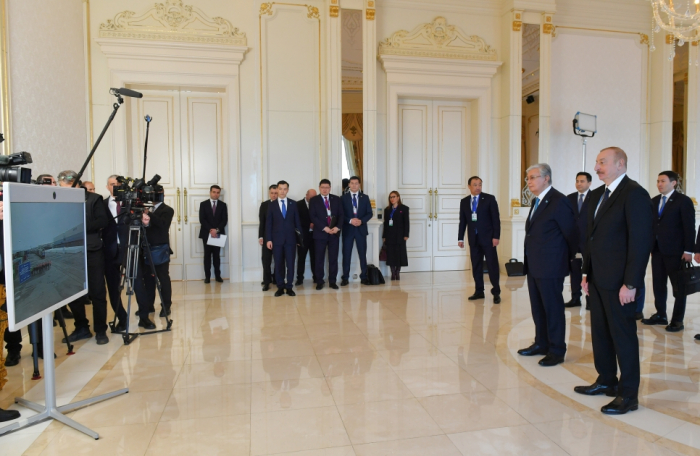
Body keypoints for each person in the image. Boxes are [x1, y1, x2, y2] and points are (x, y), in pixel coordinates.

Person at [575, 147, 653, 415]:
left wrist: (631, 284)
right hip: (597, 279)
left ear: (620, 164)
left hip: (620, 283)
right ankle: (606, 380)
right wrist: (587, 273)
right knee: (600, 334)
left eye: (602, 162)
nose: (597, 167)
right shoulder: (596, 195)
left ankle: (628, 395)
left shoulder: (635, 194)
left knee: (623, 338)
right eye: (597, 162)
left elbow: (640, 244)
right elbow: (591, 239)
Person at [517, 164, 577, 367]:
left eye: (533, 177)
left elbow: (571, 234)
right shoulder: (537, 201)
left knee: (553, 309)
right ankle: (541, 343)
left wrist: (565, 261)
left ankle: (557, 349)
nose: (529, 182)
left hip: (551, 266)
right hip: (535, 265)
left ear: (546, 178)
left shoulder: (559, 201)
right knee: (538, 308)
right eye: (527, 179)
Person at [57, 170, 111, 345]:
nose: (64, 190)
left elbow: (103, 221)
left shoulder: (94, 199)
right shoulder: (59, 199)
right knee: (73, 293)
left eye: (67, 187)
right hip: (68, 253)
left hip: (92, 251)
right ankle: (81, 327)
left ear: (76, 183)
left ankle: (101, 330)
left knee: (97, 292)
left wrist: (77, 228)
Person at [641, 171, 695, 332]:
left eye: (663, 181)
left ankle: (677, 320)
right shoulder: (654, 201)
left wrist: (688, 250)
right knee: (658, 284)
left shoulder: (683, 201)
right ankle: (661, 314)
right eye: (658, 181)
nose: (659, 184)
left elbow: (689, 227)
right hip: (657, 250)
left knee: (679, 287)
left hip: (677, 252)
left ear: (673, 183)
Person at [458, 176, 501, 303]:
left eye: (480, 184)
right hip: (474, 239)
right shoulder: (464, 201)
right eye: (475, 185)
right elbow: (463, 221)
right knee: (476, 265)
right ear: (469, 186)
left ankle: (496, 292)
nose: (478, 187)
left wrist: (496, 236)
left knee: (492, 265)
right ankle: (479, 291)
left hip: (488, 239)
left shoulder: (489, 199)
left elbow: (495, 219)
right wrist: (460, 238)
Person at [133, 199, 175, 328]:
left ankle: (166, 306)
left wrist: (149, 214)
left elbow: (163, 225)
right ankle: (148, 306)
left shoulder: (167, 209)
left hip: (159, 249)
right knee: (147, 279)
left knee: (163, 278)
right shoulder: (140, 208)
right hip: (144, 248)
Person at [266, 180, 302, 296]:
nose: (282, 191)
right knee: (278, 264)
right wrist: (269, 239)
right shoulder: (271, 205)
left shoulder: (293, 204)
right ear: (277, 189)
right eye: (280, 189)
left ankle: (289, 286)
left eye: (284, 189)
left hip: (291, 240)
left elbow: (297, 223)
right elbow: (269, 224)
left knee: (290, 264)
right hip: (276, 241)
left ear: (288, 190)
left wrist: (299, 239)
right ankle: (280, 287)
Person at [103, 175, 128, 331]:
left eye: (118, 184)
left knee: (138, 283)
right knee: (113, 287)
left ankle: (144, 316)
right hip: (109, 251)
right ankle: (122, 318)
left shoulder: (130, 203)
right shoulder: (101, 205)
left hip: (128, 248)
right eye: (113, 184)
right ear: (107, 187)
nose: (116, 187)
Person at [309, 179, 343, 290]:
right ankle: (320, 281)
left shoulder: (336, 199)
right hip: (320, 234)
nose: (325, 189)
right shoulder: (314, 200)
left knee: (333, 258)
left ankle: (332, 281)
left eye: (327, 187)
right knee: (319, 259)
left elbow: (341, 215)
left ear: (330, 188)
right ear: (319, 188)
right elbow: (313, 216)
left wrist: (337, 228)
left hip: (334, 234)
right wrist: (325, 228)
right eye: (322, 187)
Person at [566, 172, 592, 309]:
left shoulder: (595, 198)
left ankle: (590, 300)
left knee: (589, 271)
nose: (579, 184)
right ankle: (575, 298)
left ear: (589, 183)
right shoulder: (569, 198)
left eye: (582, 181)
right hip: (574, 241)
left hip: (589, 241)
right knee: (574, 270)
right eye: (577, 181)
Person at [340, 176, 373, 286]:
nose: (354, 185)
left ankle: (364, 277)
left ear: (359, 185)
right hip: (348, 230)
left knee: (362, 254)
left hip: (361, 230)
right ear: (349, 185)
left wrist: (361, 221)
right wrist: (349, 220)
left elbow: (369, 213)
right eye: (352, 183)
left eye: (356, 183)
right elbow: (340, 215)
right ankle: (345, 277)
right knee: (346, 254)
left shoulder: (365, 197)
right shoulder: (343, 198)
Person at [199, 185, 228, 283]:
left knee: (216, 256)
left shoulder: (223, 205)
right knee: (207, 256)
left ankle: (218, 276)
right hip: (206, 234)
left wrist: (216, 230)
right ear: (210, 192)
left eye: (218, 192)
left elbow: (224, 220)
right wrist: (210, 230)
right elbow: (202, 219)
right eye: (214, 192)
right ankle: (207, 277)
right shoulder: (203, 204)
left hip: (218, 234)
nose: (216, 194)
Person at [382, 191, 410, 281]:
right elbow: (386, 224)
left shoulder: (404, 209)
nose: (392, 199)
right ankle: (392, 272)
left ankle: (397, 272)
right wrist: (384, 236)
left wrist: (406, 234)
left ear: (398, 197)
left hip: (400, 235)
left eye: (394, 197)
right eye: (390, 197)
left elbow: (406, 223)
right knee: (391, 254)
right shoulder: (387, 210)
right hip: (390, 235)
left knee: (399, 254)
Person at [295, 188, 317, 285]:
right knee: (301, 258)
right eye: (311, 197)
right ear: (306, 195)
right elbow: (296, 220)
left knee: (315, 258)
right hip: (303, 237)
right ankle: (300, 279)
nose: (313, 199)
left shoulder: (317, 204)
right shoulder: (298, 204)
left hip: (315, 236)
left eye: (315, 197)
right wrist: (309, 224)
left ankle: (316, 277)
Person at [259, 184, 278, 291]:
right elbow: (262, 222)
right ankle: (266, 281)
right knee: (266, 260)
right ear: (269, 193)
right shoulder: (264, 205)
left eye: (276, 193)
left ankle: (276, 278)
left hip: (278, 237)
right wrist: (261, 236)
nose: (274, 195)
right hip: (267, 237)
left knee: (278, 260)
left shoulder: (282, 204)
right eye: (272, 193)